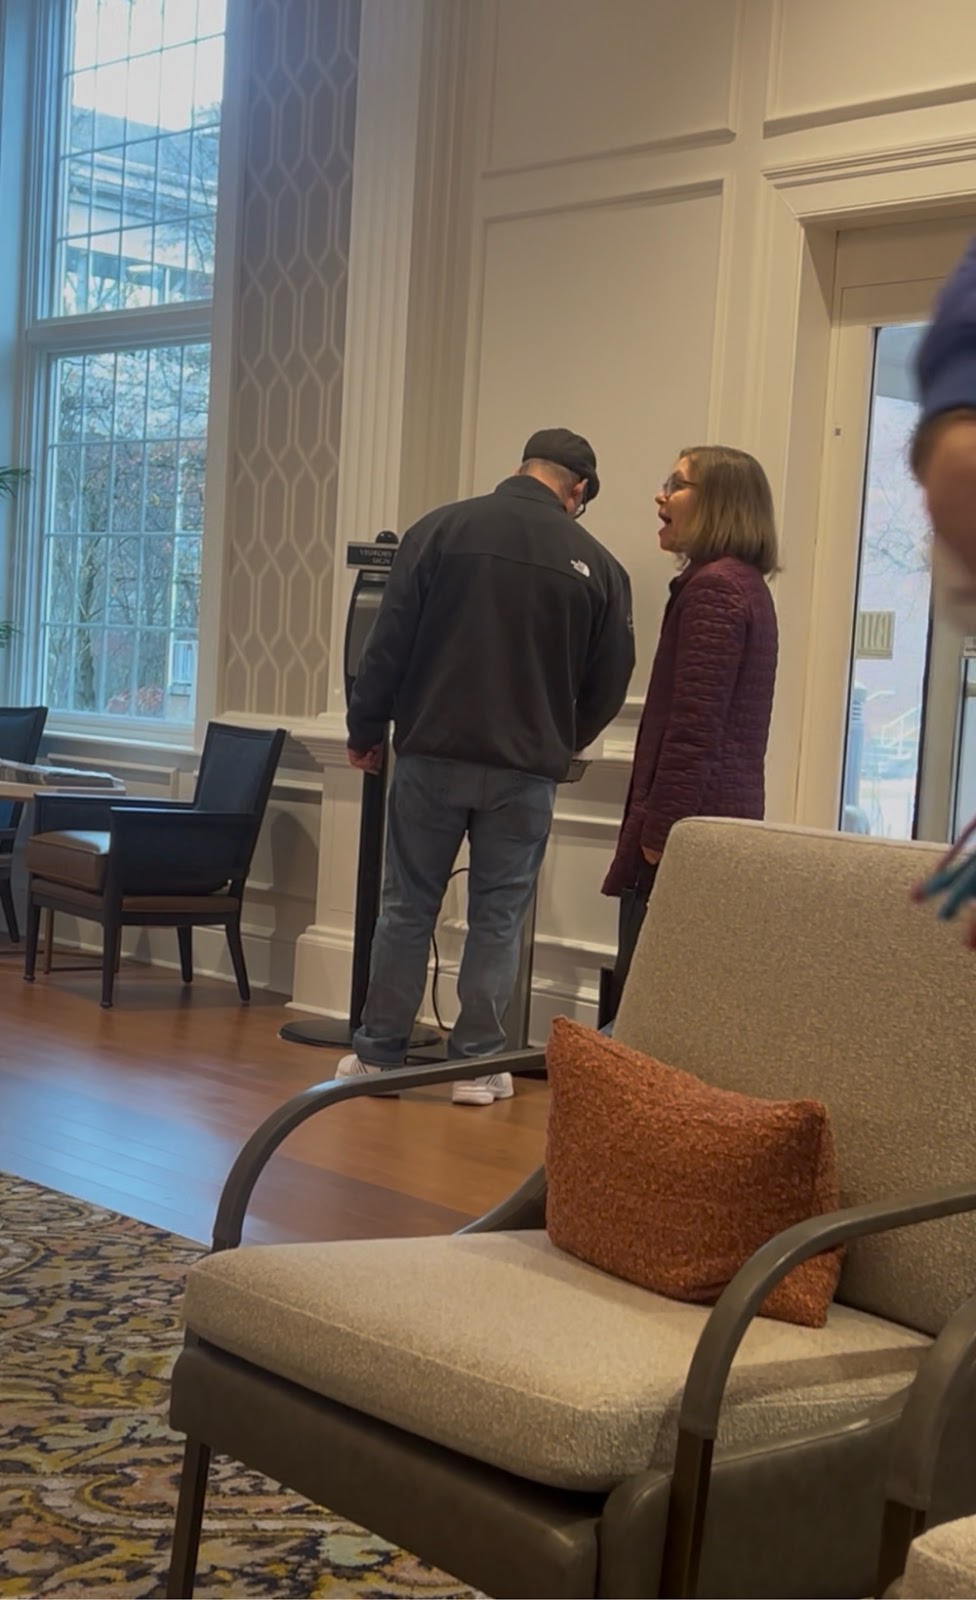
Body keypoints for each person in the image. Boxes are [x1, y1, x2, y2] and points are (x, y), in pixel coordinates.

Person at [340, 429, 635, 1104]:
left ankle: (379, 1056)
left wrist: (365, 730)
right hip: (526, 768)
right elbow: (611, 680)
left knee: (406, 907)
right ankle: (475, 1067)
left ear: (523, 467)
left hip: (431, 754)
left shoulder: (438, 531)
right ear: (578, 490)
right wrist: (563, 739)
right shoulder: (600, 567)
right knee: (498, 919)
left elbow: (387, 644)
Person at [601, 446, 779, 1014]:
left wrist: (661, 835)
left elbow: (694, 729)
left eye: (676, 485)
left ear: (719, 503)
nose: (661, 495)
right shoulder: (741, 584)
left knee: (652, 1005)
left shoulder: (716, 590)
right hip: (711, 822)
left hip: (689, 830)